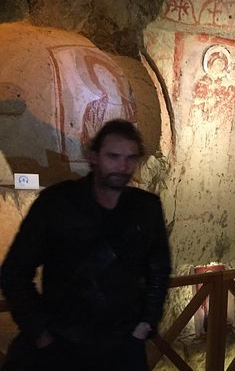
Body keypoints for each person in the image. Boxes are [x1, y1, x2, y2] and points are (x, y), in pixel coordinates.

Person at [0, 119, 171, 371]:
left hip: (122, 345)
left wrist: (146, 323)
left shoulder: (146, 207)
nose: (122, 166)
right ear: (93, 157)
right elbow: (15, 272)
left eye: (130, 158)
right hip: (62, 345)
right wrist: (41, 333)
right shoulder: (57, 203)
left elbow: (159, 267)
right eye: (113, 156)